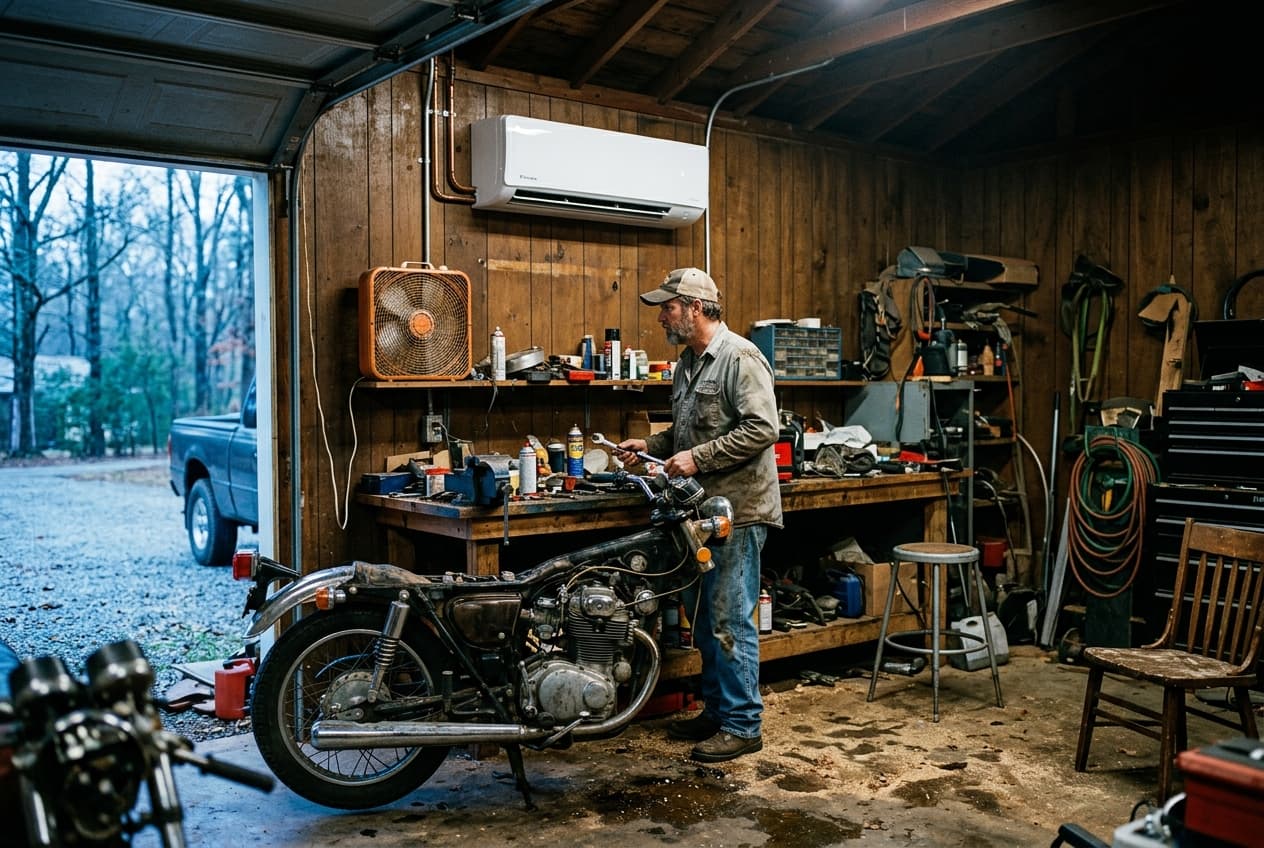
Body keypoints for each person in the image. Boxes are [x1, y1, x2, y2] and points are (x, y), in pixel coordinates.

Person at [617, 267, 783, 763]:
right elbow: (687, 437)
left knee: (731, 620)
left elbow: (763, 428)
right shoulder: (688, 364)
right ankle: (718, 712)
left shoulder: (740, 358)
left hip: (740, 512)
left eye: (667, 307)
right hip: (700, 513)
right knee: (707, 619)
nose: (662, 317)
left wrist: (699, 459)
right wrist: (649, 445)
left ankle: (742, 724)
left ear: (694, 307)